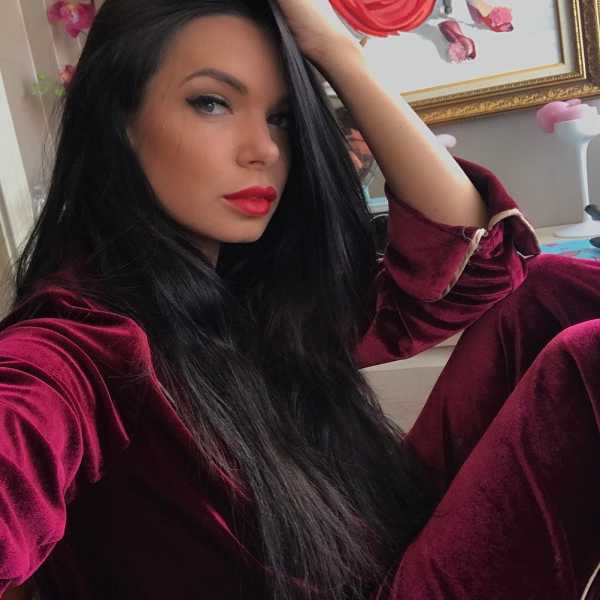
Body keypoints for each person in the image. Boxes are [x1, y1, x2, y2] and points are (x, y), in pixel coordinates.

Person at [0, 0, 598, 598]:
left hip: (372, 550)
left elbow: (475, 272)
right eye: (211, 102)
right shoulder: (83, 340)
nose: (264, 149)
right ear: (119, 122)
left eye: (281, 117)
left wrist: (336, 51)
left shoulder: (254, 295)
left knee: (549, 292)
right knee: (587, 361)